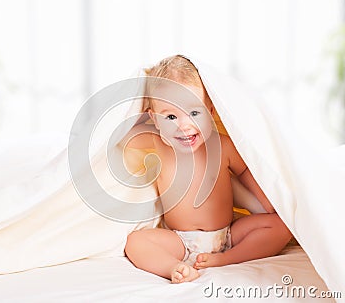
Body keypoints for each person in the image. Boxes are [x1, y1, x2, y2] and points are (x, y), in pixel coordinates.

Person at [123, 55, 292, 283]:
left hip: (229, 234)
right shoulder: (155, 143)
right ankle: (174, 268)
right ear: (154, 118)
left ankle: (229, 259)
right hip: (179, 241)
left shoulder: (222, 145)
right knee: (136, 242)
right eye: (170, 116)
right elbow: (120, 137)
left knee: (283, 226)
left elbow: (244, 171)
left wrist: (265, 199)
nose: (184, 125)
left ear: (211, 111)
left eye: (194, 113)